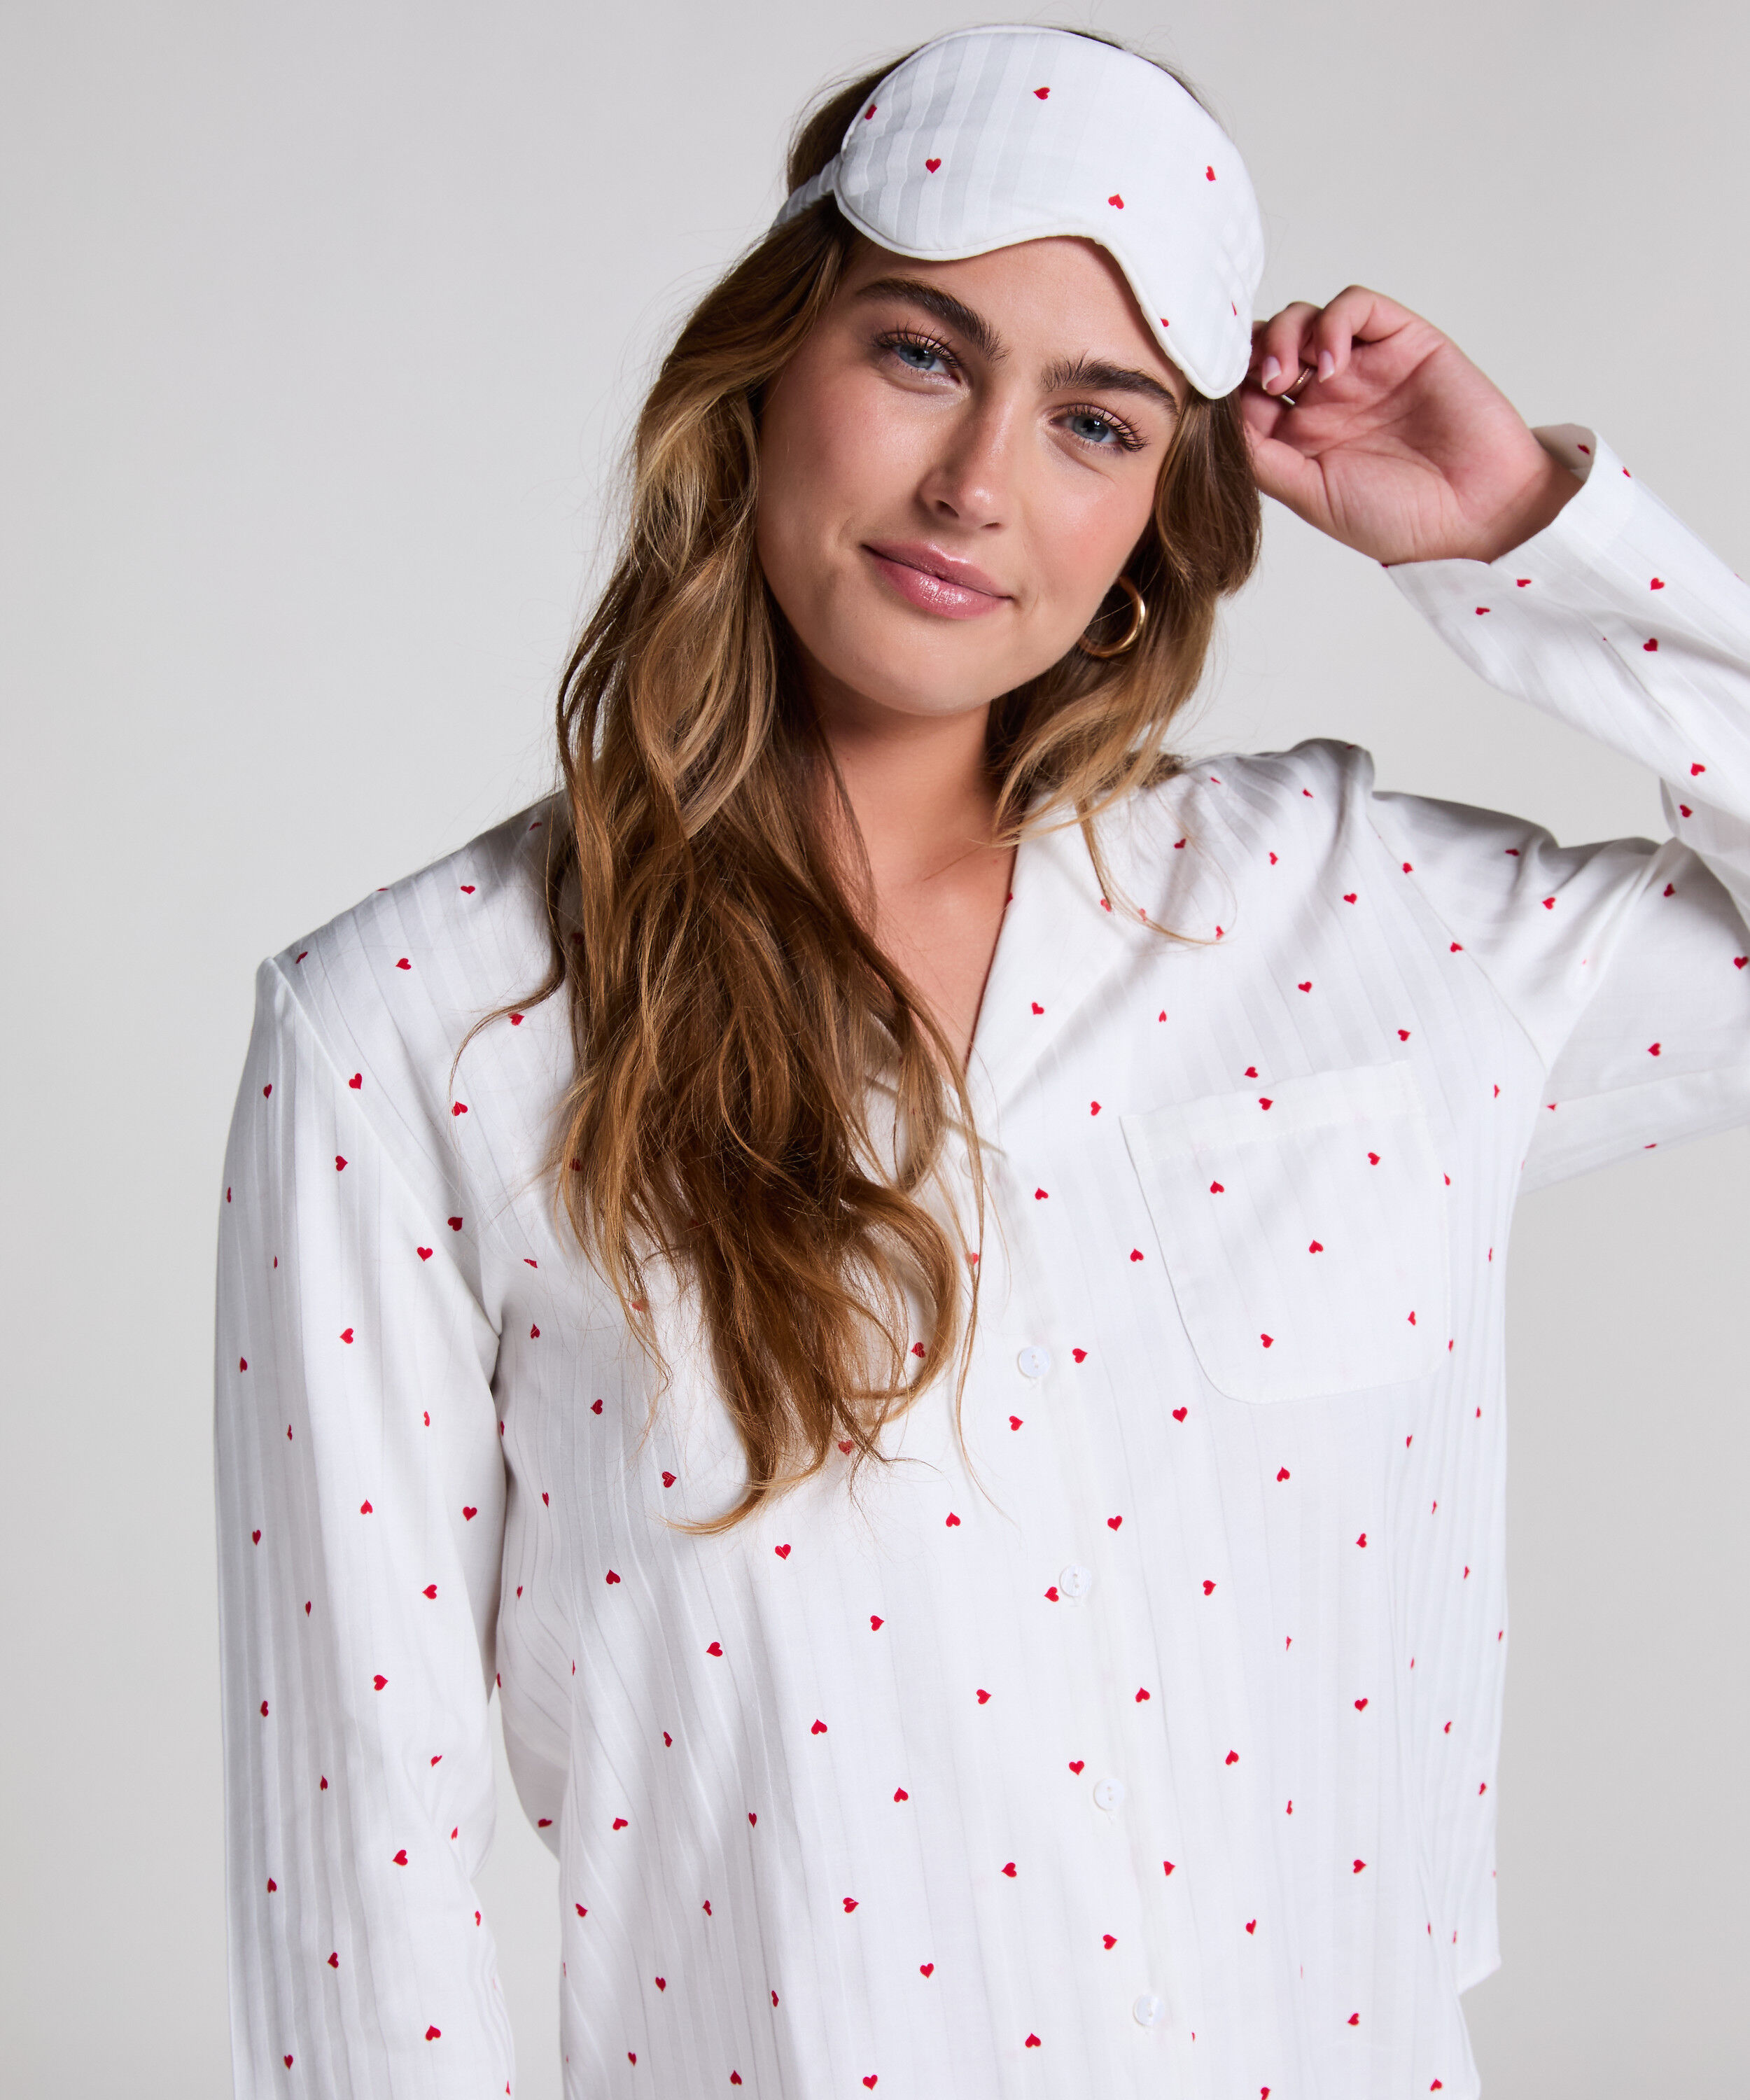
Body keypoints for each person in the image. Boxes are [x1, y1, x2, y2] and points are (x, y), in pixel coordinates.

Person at [212, 24, 1750, 2099]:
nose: (977, 485)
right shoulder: (417, 1026)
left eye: (1095, 420)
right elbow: (361, 1877)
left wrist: (1525, 537)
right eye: (921, 354)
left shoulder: (1359, 916)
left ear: (1157, 515)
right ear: (768, 369)